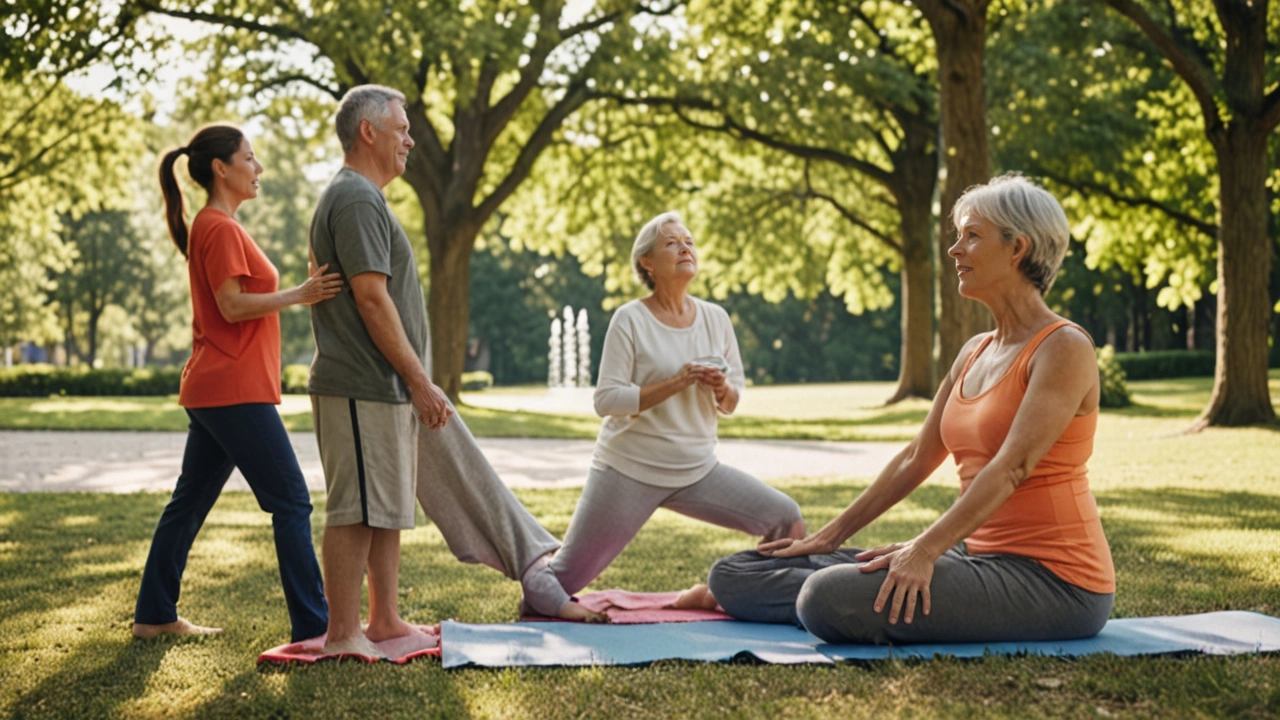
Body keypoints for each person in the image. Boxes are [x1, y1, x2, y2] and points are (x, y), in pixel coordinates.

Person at [705, 175, 1115, 645]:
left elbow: (1012, 467)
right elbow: (916, 456)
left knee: (824, 597)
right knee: (735, 572)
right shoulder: (975, 351)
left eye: (972, 236)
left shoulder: (1063, 347)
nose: (955, 250)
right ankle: (841, 597)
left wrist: (925, 549)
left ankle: (840, 601)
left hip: (1054, 582)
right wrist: (828, 538)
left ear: (1017, 247)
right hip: (972, 554)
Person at [309, 85, 596, 656]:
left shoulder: (361, 197)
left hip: (380, 386)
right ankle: (343, 634)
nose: (411, 139)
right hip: (361, 383)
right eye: (401, 128)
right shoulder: (357, 199)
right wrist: (420, 379)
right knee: (357, 509)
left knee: (384, 507)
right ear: (368, 131)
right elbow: (371, 298)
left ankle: (384, 620)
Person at [524, 211, 806, 618]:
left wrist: (719, 387)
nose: (685, 247)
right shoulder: (630, 320)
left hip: (698, 470)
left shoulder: (716, 318)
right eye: (672, 243)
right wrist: (678, 381)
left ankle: (723, 597)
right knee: (559, 582)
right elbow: (606, 399)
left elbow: (732, 399)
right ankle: (529, 566)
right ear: (647, 264)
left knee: (786, 518)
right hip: (628, 471)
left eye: (688, 241)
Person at [133, 124, 342, 642]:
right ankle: (315, 626)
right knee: (291, 501)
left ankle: (154, 616)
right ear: (222, 168)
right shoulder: (220, 228)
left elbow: (237, 298)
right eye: (250, 158)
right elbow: (230, 305)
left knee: (189, 501)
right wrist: (300, 294)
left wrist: (299, 288)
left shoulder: (213, 224)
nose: (259, 168)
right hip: (232, 388)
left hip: (215, 387)